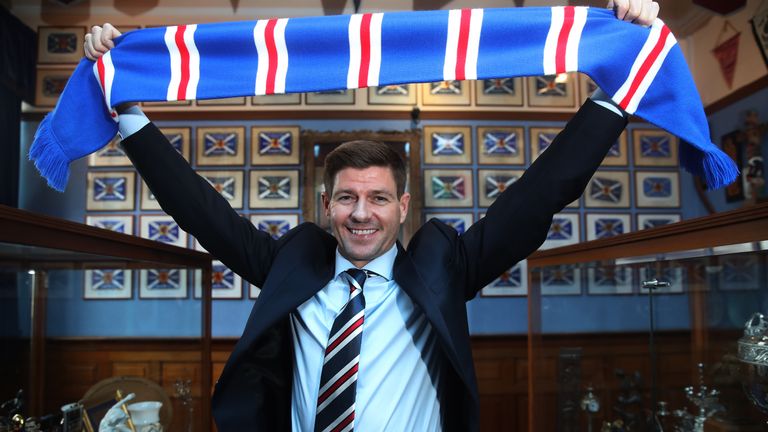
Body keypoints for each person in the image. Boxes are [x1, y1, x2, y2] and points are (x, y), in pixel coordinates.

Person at [84, 1, 659, 430]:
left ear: (403, 206)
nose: (362, 214)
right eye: (347, 198)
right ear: (326, 205)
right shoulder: (293, 261)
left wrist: (613, 95)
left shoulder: (444, 265)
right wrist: (127, 105)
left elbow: (539, 195)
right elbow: (199, 210)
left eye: (379, 198)